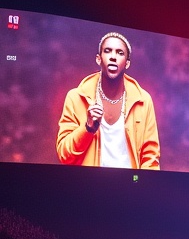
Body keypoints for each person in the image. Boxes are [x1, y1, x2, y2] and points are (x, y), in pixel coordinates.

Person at [57, 32, 160, 169]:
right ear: (98, 59)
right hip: (89, 187)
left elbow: (150, 158)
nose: (113, 57)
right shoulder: (75, 97)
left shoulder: (143, 101)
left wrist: (141, 188)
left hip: (130, 186)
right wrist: (87, 128)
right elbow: (64, 155)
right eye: (107, 51)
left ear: (127, 63)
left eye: (120, 53)